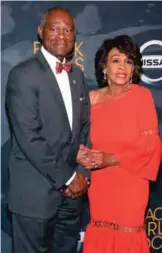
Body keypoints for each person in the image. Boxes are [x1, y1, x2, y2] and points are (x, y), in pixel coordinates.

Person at [5, 7, 92, 253]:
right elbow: (29, 137)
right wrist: (69, 177)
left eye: (68, 30)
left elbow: (84, 130)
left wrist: (83, 174)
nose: (61, 35)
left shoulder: (78, 76)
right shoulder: (23, 75)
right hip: (35, 196)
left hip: (72, 198)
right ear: (41, 32)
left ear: (75, 36)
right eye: (54, 28)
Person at [77, 35, 161, 253]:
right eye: (116, 60)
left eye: (128, 61)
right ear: (104, 66)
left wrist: (110, 158)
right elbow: (77, 140)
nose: (122, 67)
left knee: (127, 235)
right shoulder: (91, 99)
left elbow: (152, 145)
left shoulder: (141, 96)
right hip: (100, 184)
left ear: (134, 68)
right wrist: (81, 155)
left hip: (131, 181)